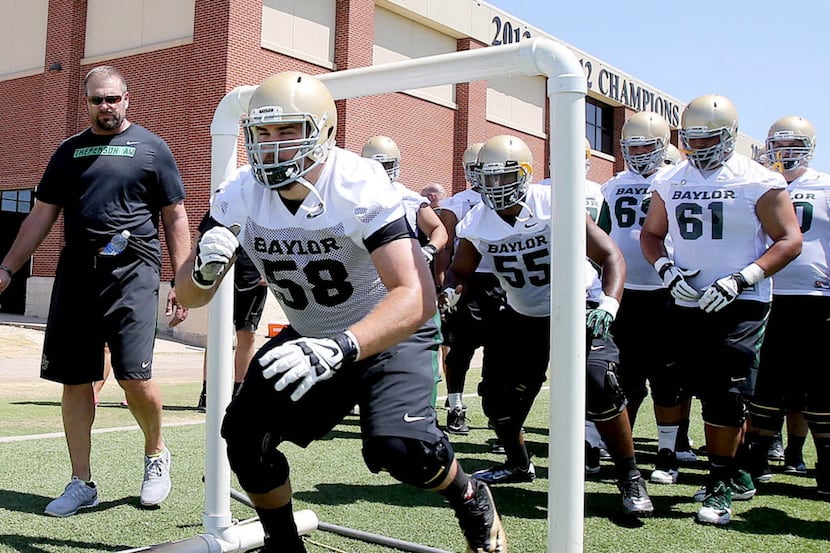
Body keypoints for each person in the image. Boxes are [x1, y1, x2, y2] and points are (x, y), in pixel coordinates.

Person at [174, 71, 506, 553]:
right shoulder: (237, 193)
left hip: (387, 330)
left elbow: (415, 294)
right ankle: (284, 544)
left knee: (402, 450)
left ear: (324, 131)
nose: (272, 146)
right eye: (262, 133)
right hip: (311, 333)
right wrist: (203, 271)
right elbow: (190, 297)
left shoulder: (356, 182)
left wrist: (343, 346)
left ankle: (470, 495)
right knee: (245, 437)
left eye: (287, 131)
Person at [0, 65, 191, 517]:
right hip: (77, 273)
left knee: (133, 376)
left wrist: (181, 280)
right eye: (96, 100)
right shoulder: (68, 152)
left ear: (128, 99)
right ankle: (81, 482)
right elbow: (40, 216)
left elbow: (176, 216)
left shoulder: (152, 149)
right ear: (85, 103)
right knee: (74, 380)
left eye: (113, 98)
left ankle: (156, 454)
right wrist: (7, 267)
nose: (105, 106)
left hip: (134, 272)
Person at [440, 134, 653, 517]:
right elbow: (460, 268)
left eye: (504, 178)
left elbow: (610, 256)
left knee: (599, 383)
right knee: (497, 400)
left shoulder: (555, 204)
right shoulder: (476, 221)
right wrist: (450, 291)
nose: (495, 188)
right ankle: (518, 463)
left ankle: (629, 476)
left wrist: (608, 302)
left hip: (578, 305)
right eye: (488, 179)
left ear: (524, 175)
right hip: (524, 314)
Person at [640, 94, 802, 525]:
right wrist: (666, 270)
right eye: (692, 137)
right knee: (679, 382)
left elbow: (789, 240)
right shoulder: (671, 178)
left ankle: (720, 482)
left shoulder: (757, 179)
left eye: (709, 136)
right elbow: (651, 234)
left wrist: (741, 278)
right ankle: (687, 461)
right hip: (686, 299)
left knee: (726, 393)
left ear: (729, 135)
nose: (700, 145)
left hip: (741, 301)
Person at [601, 111, 696, 487]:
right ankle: (613, 446)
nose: (639, 153)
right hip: (625, 293)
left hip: (666, 291)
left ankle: (668, 451)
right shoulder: (612, 184)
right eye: (632, 146)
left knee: (668, 378)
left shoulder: (676, 179)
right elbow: (604, 235)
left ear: (662, 147)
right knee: (622, 376)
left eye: (646, 145)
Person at [742, 115, 829, 494]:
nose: (784, 152)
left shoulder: (825, 186)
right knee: (765, 385)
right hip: (766, 294)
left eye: (793, 145)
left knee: (819, 386)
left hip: (815, 297)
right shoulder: (758, 183)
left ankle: (824, 462)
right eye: (778, 144)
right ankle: (756, 457)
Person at [435, 142, 507, 437]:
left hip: (502, 280)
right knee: (460, 350)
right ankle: (455, 406)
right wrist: (444, 287)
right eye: (475, 168)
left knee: (499, 351)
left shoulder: (508, 197)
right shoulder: (457, 203)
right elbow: (446, 249)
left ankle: (496, 407)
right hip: (467, 279)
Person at [195, 239, 267, 413]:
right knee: (217, 334)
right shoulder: (220, 212)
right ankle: (208, 391)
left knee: (247, 334)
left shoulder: (264, 213)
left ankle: (239, 392)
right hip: (222, 275)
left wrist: (270, 270)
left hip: (254, 279)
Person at [360, 136, 447, 273]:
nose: (381, 170)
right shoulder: (354, 196)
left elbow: (438, 229)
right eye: (375, 165)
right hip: (363, 270)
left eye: (386, 165)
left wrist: (429, 249)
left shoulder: (410, 199)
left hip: (403, 269)